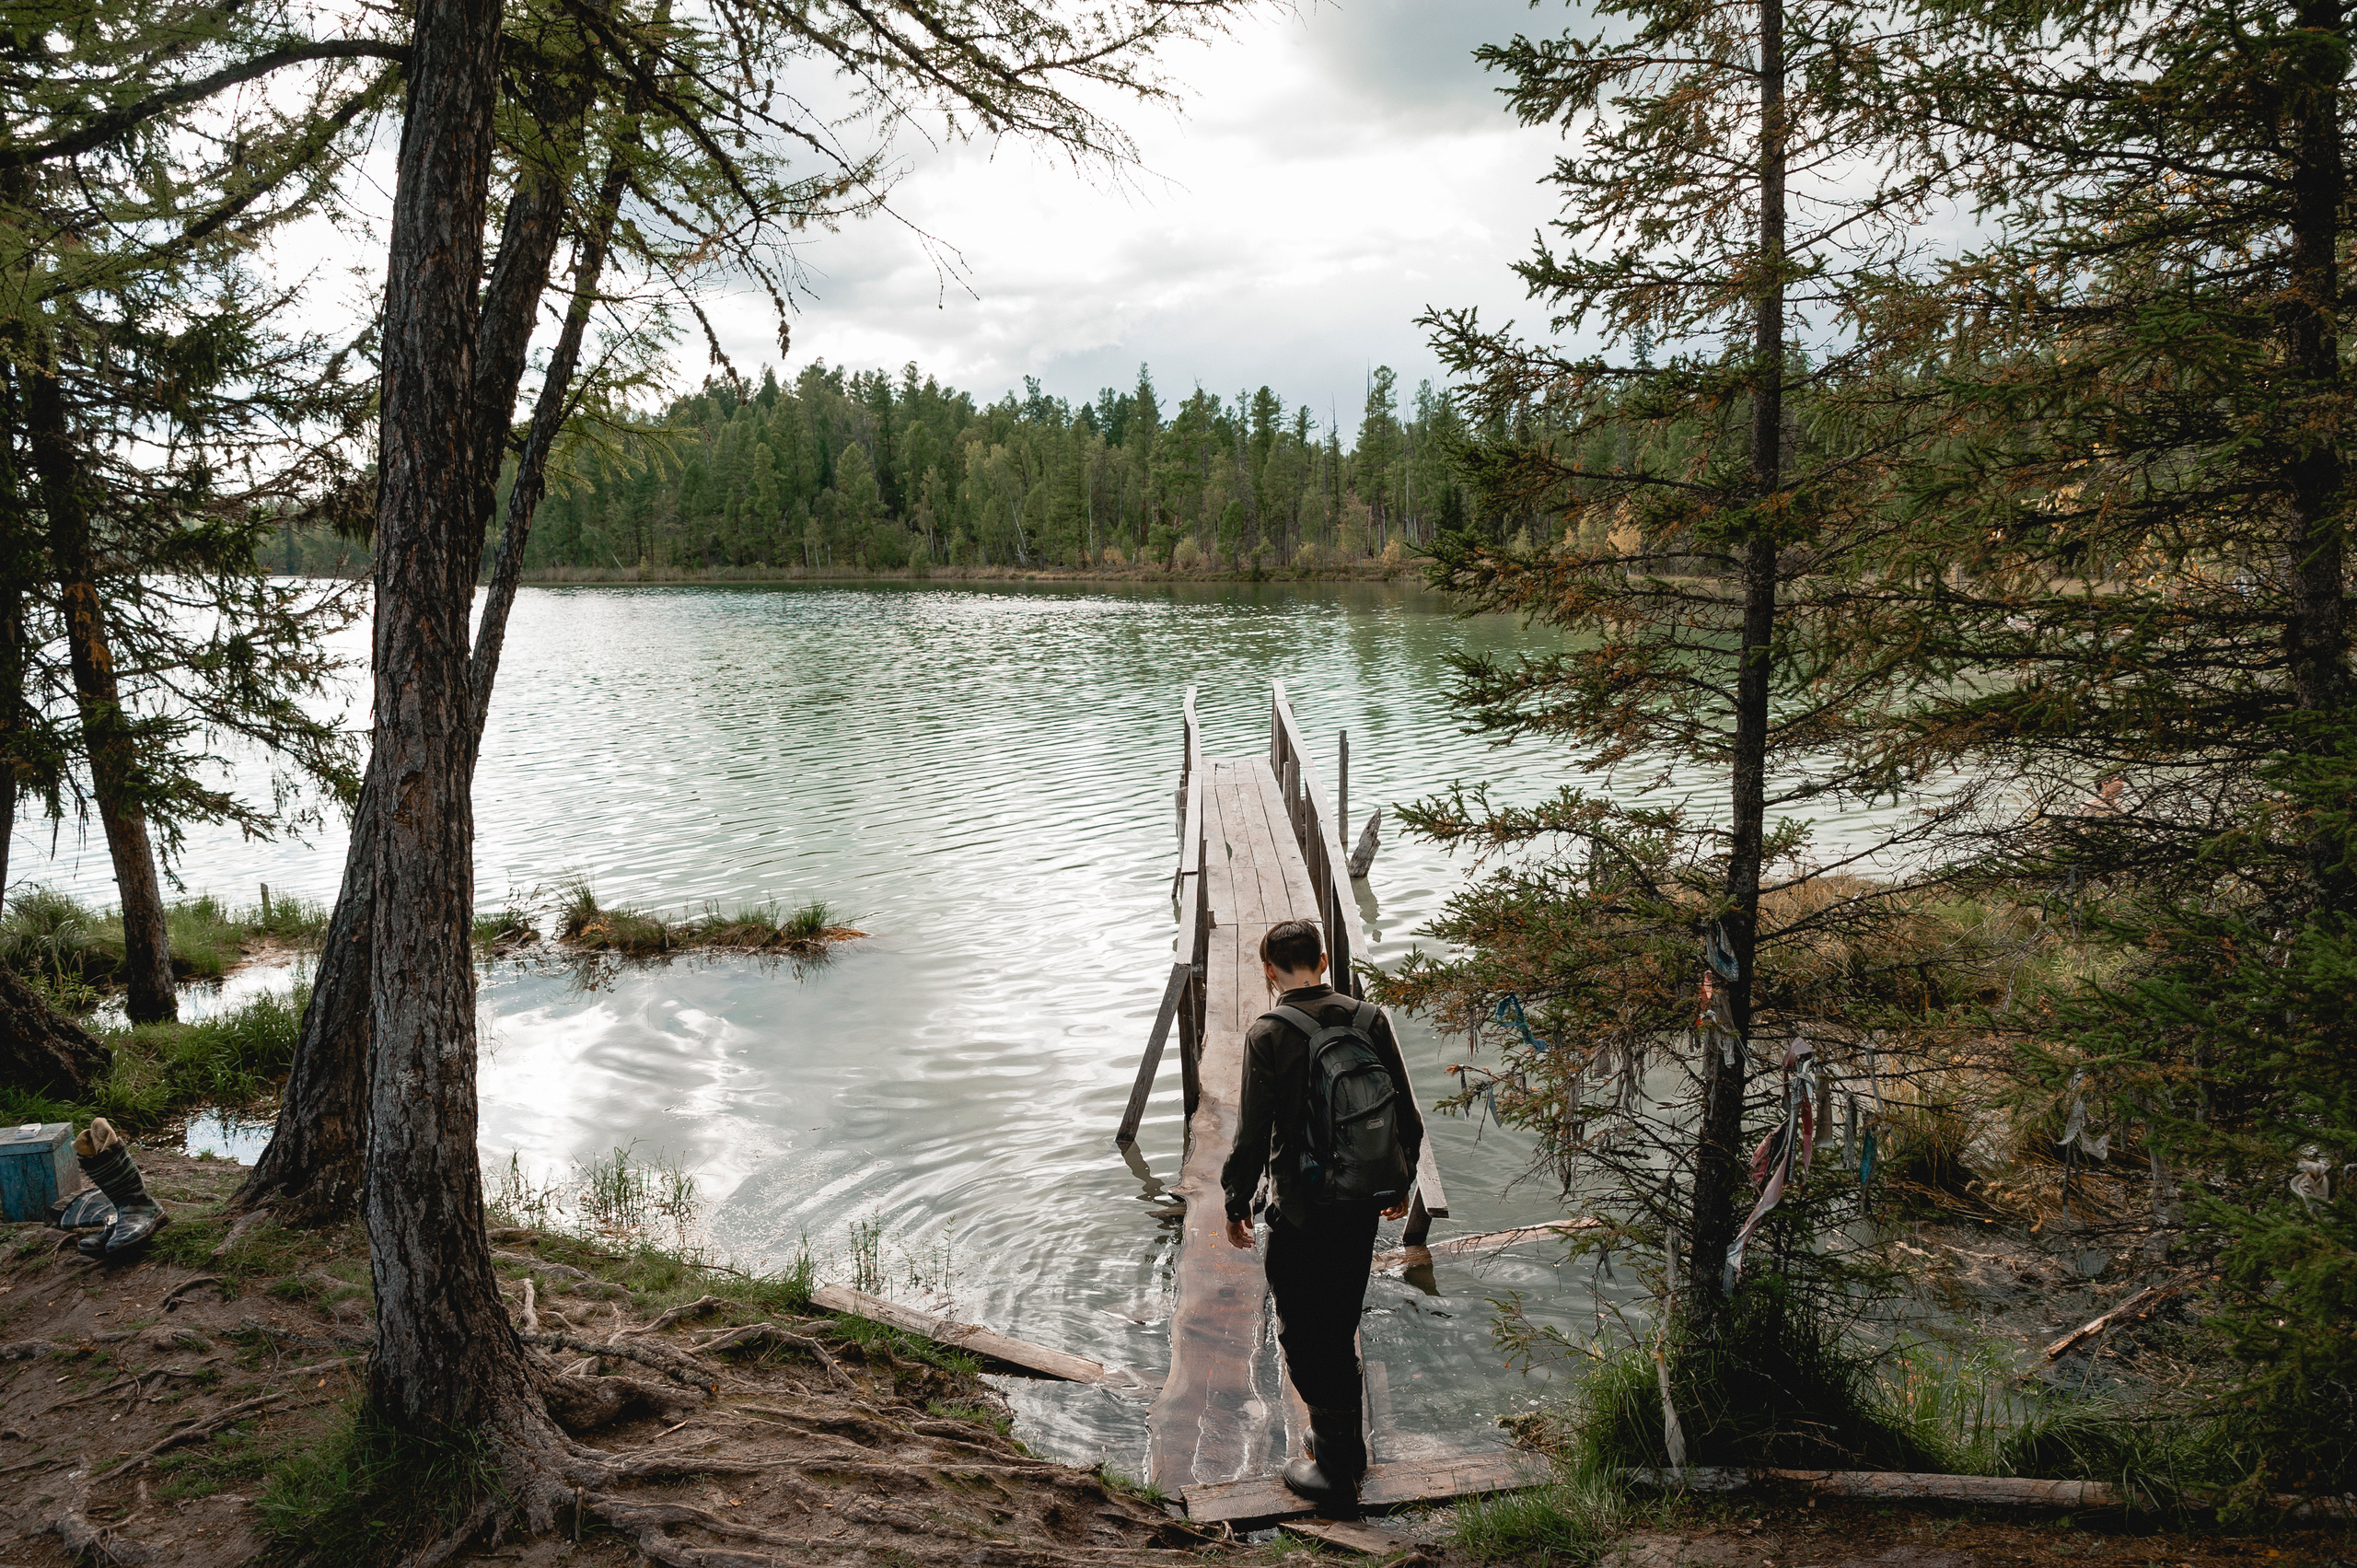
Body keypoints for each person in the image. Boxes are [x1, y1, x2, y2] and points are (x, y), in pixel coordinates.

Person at [1221, 918, 1424, 1516]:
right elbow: (1405, 1114)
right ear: (1325, 959)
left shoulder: (1269, 1032)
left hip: (1303, 1209)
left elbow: (1253, 1133)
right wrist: (1398, 1182)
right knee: (1339, 1320)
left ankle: (1335, 1473)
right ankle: (1344, 1444)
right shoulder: (1370, 1019)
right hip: (1362, 1201)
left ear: (1268, 969)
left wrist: (1236, 1202)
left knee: (1304, 1333)